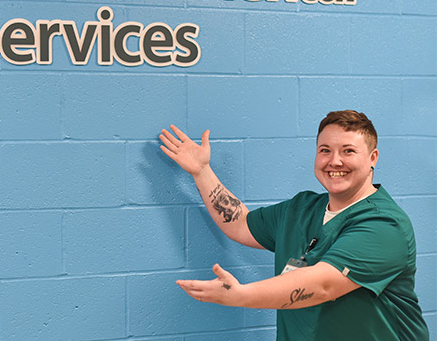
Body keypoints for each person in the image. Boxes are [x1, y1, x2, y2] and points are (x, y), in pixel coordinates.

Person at [158, 110, 429, 340]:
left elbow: (324, 285)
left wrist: (240, 295)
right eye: (325, 150)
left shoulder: (384, 224)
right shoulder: (301, 209)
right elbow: (239, 223)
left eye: (348, 151)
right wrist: (201, 171)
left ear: (373, 158)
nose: (334, 161)